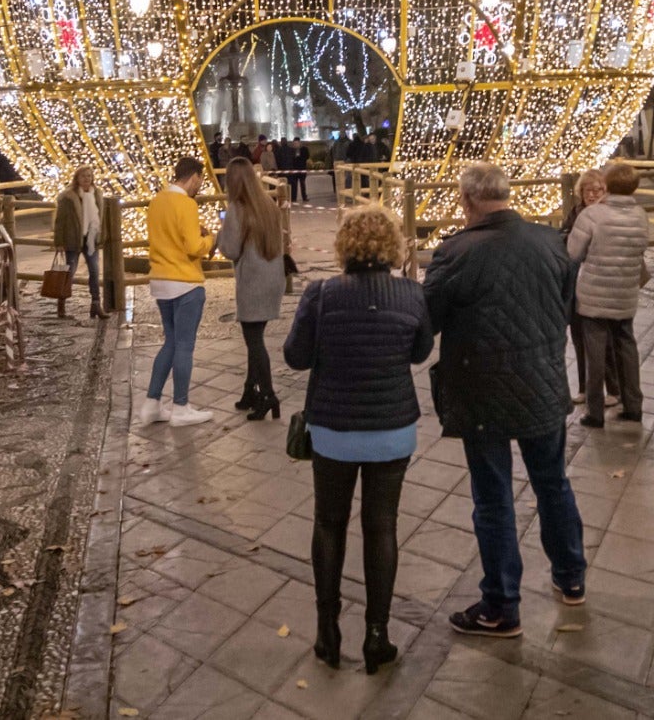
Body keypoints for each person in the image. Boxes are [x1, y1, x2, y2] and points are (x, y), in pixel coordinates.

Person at [424, 162, 586, 638]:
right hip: (542, 384)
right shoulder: (549, 243)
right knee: (553, 483)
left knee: (493, 498)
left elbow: (426, 321)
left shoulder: (455, 253)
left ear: (468, 200)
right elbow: (564, 307)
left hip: (482, 391)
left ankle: (500, 604)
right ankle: (571, 576)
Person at [283, 207, 434, 674]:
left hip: (333, 430)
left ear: (343, 246)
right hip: (391, 429)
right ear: (393, 247)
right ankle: (377, 635)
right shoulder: (411, 294)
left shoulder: (322, 294)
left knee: (329, 524)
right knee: (381, 527)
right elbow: (421, 351)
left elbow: (295, 357)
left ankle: (328, 632)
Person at [566, 162, 648, 426]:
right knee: (627, 346)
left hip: (594, 294)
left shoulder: (592, 216)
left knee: (594, 352)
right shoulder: (640, 215)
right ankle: (633, 405)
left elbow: (573, 254)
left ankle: (595, 411)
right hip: (625, 290)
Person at [140, 156, 214, 426]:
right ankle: (181, 406)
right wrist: (211, 238)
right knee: (184, 345)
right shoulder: (186, 204)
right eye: (200, 181)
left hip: (160, 280)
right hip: (185, 281)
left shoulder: (157, 200)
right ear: (193, 177)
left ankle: (152, 403)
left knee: (170, 342)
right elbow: (194, 247)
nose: (199, 186)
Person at [217, 157, 288, 421]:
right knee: (255, 337)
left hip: (253, 282)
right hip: (272, 278)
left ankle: (268, 395)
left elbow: (230, 249)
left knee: (255, 342)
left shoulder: (237, 208)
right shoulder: (267, 205)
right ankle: (249, 390)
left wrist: (218, 236)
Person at [563, 170, 616, 406]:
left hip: (601, 283)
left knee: (606, 341)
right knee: (578, 335)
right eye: (587, 190)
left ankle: (614, 389)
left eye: (597, 190)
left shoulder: (609, 215)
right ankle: (584, 388)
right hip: (577, 281)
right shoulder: (575, 213)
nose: (592, 195)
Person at [50, 165, 103, 320]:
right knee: (69, 273)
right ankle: (62, 304)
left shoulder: (96, 194)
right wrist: (59, 241)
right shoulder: (69, 197)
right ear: (77, 178)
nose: (87, 179)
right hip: (73, 238)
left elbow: (100, 216)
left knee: (94, 271)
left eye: (89, 176)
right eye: (83, 176)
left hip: (91, 239)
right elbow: (60, 221)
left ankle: (96, 304)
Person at [284, 139, 309, 204]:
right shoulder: (291, 150)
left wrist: (300, 157)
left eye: (297, 143)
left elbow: (307, 157)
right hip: (294, 170)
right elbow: (290, 159)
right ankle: (293, 198)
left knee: (302, 183)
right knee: (294, 184)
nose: (296, 144)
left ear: (299, 143)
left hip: (302, 169)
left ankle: (304, 197)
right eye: (294, 143)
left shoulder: (304, 149)